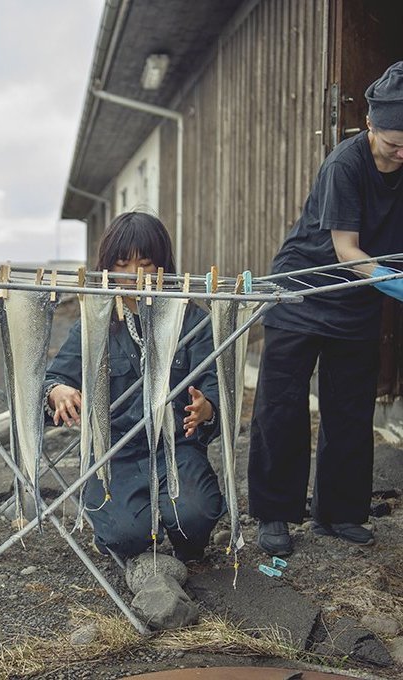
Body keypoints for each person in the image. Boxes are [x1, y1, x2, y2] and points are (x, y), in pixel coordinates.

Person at [248, 61, 403, 557]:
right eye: (393, 142)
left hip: (356, 302)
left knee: (350, 410)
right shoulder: (345, 163)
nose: (402, 152)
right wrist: (391, 280)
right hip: (302, 293)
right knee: (282, 407)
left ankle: (338, 513)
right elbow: (347, 251)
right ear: (372, 125)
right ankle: (275, 515)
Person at [44, 211, 225, 562]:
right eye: (123, 264)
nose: (134, 276)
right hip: (115, 452)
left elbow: (215, 389)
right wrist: (58, 392)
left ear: (163, 267)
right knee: (126, 537)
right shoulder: (95, 322)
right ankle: (120, 529)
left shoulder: (191, 319)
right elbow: (55, 377)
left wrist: (207, 409)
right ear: (107, 268)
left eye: (145, 263)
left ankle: (184, 532)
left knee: (194, 520)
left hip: (176, 449)